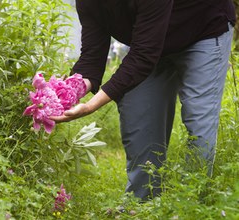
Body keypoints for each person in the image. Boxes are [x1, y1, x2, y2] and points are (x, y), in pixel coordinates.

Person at [51, 0, 236, 201]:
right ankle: (142, 205)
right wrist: (68, 91)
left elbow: (143, 57)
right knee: (137, 113)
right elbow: (92, 57)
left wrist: (91, 105)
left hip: (202, 28)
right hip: (149, 39)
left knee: (199, 123)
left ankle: (190, 205)